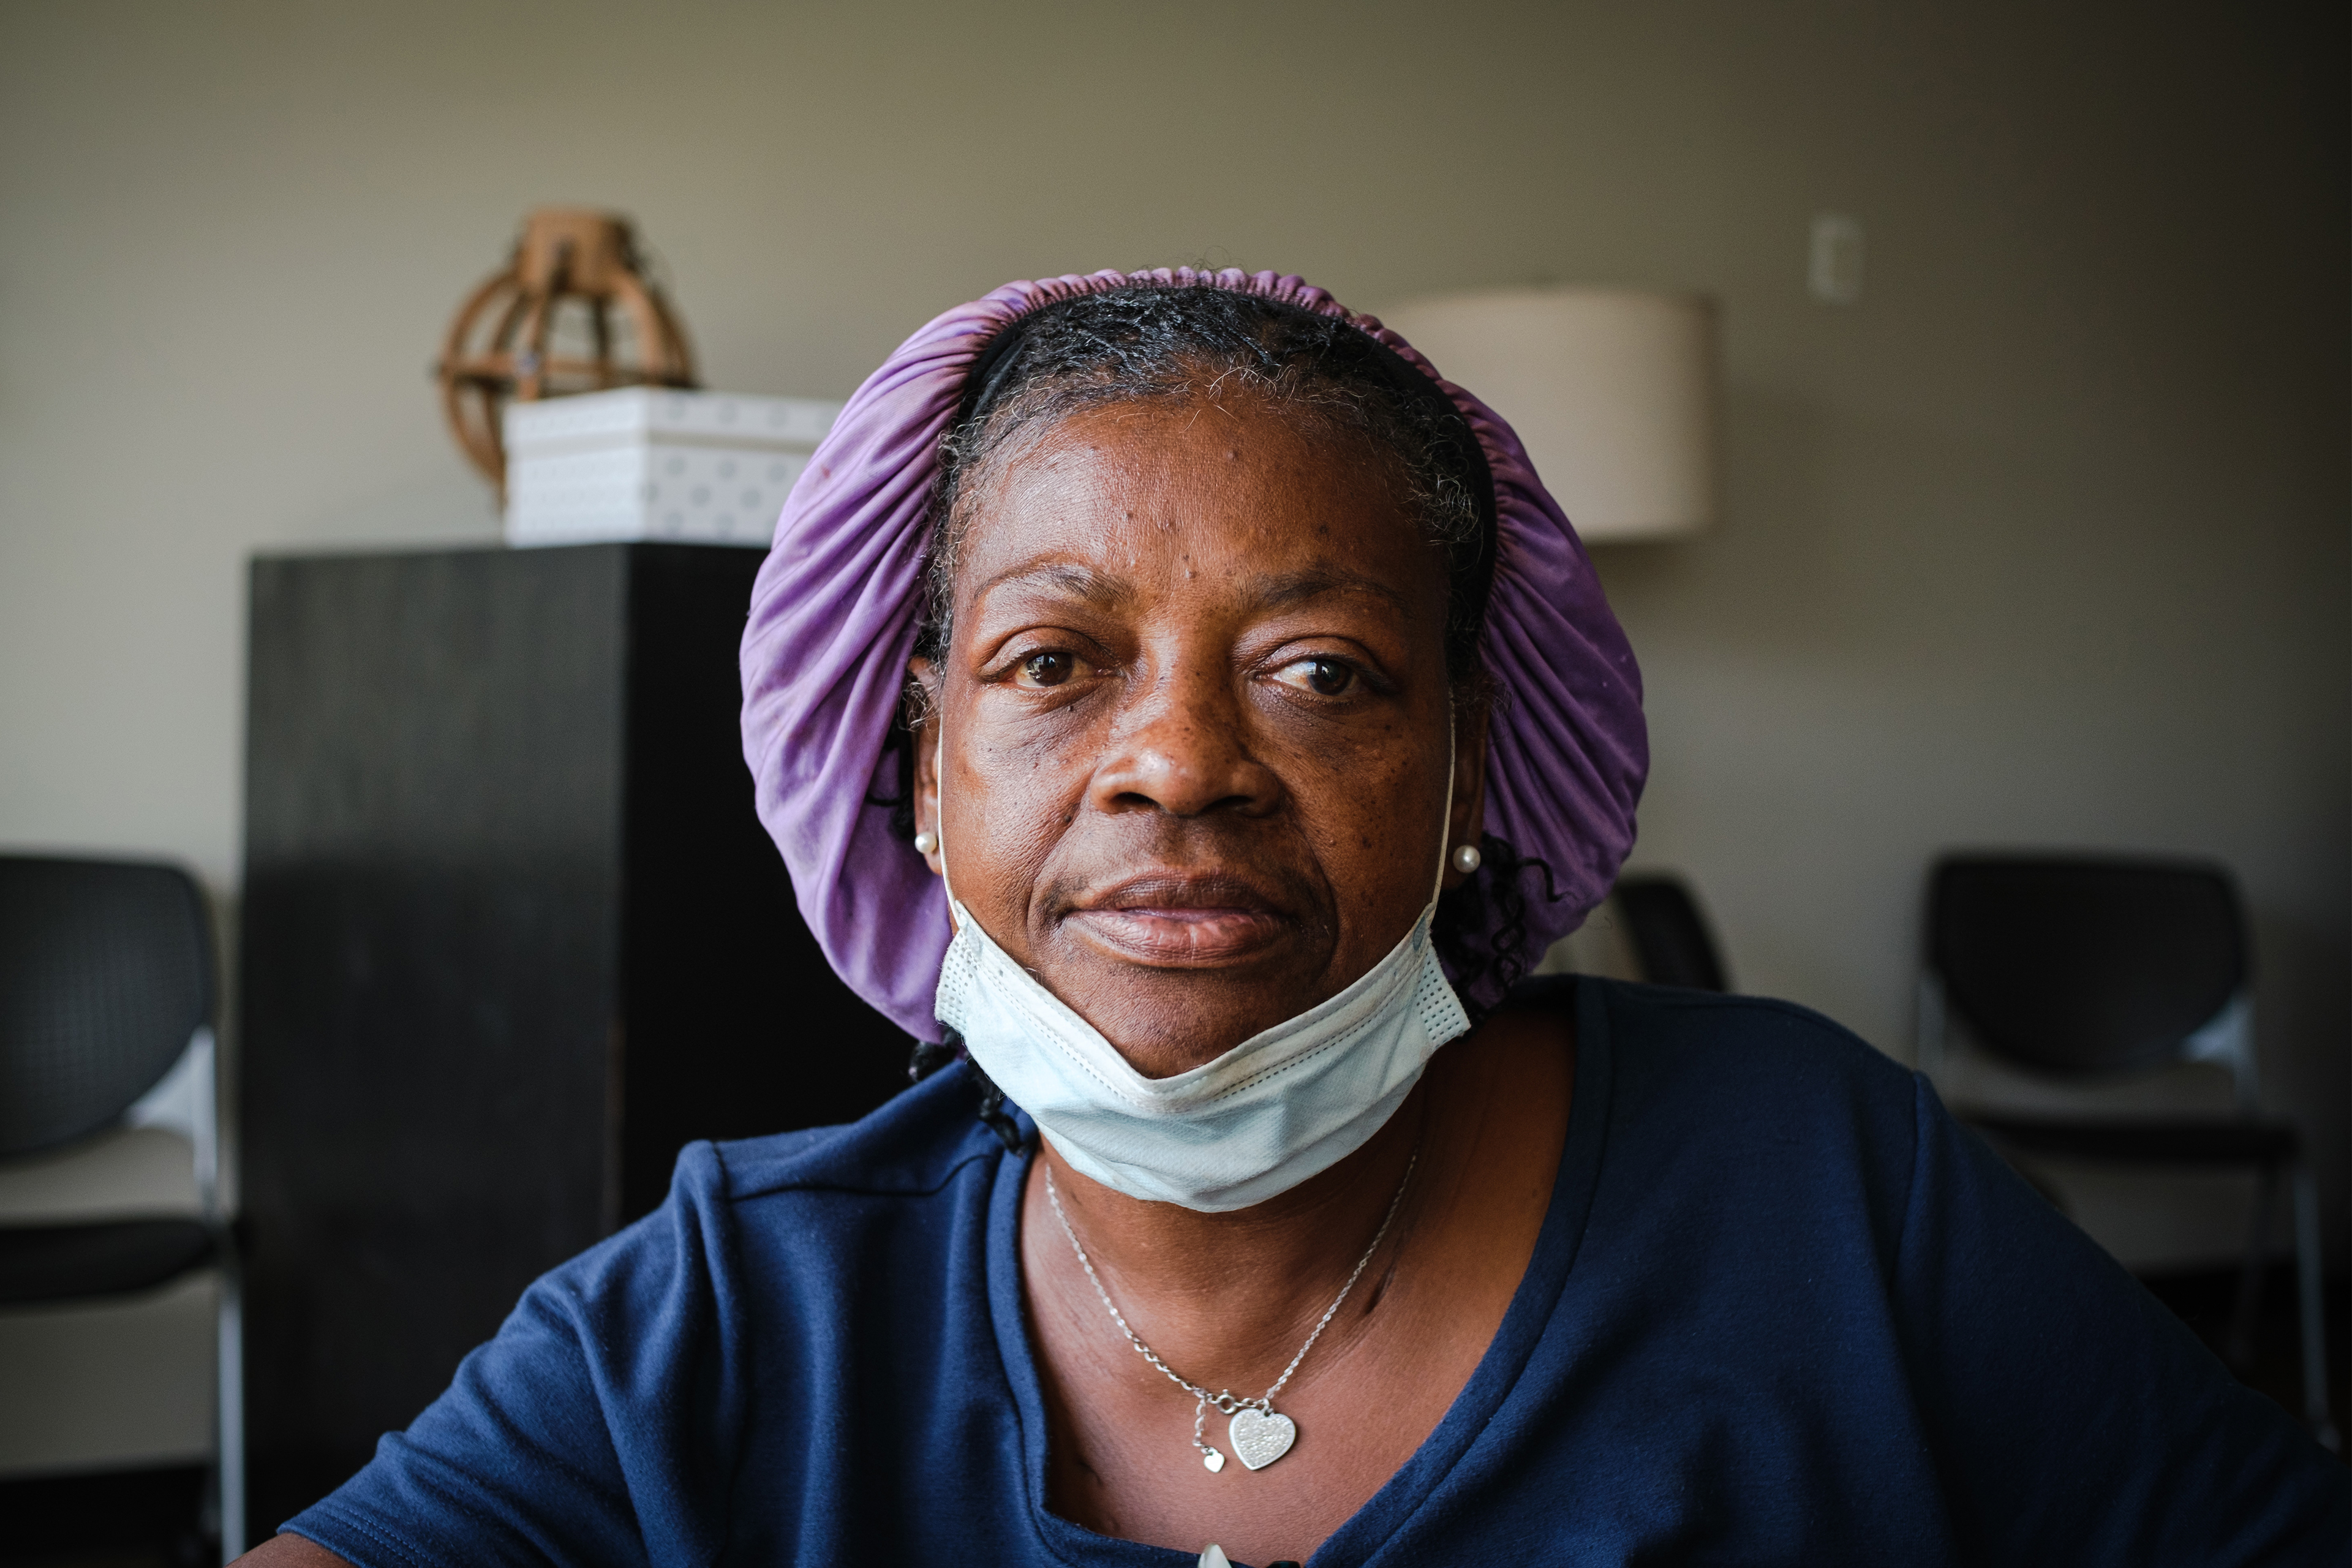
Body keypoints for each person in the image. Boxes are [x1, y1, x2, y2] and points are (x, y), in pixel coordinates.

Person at [236, 270, 2345, 1567]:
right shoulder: (719, 1322)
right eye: (1056, 664)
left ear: (1464, 765)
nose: (1181, 766)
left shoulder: (1824, 1191)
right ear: (918, 760)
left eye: (1324, 671)